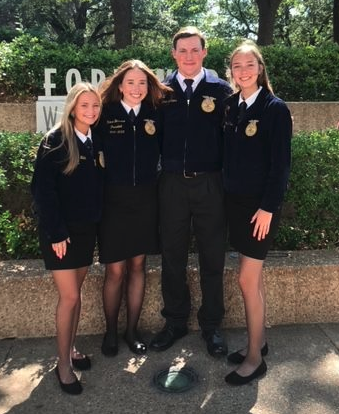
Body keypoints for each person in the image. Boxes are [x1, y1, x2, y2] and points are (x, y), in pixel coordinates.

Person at [149, 27, 232, 357]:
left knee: (213, 256)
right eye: (182, 50)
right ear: (173, 54)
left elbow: (233, 141)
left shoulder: (222, 91)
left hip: (210, 183)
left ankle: (212, 326)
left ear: (204, 52)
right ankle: (175, 322)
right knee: (172, 256)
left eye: (194, 50)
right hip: (171, 184)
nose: (188, 56)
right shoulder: (161, 92)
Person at [223, 40, 292, 385]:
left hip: (260, 210)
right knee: (254, 278)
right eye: (237, 66)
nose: (243, 71)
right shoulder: (231, 105)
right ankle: (259, 342)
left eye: (249, 65)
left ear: (260, 68)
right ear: (231, 72)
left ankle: (254, 359)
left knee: (246, 279)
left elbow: (280, 167)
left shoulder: (274, 108)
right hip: (235, 206)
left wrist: (268, 207)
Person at [31, 82, 104, 394]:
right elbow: (42, 192)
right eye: (84, 105)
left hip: (86, 231)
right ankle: (63, 365)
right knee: (70, 297)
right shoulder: (56, 141)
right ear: (73, 107)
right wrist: (56, 232)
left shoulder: (94, 139)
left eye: (95, 106)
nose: (90, 111)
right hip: (60, 233)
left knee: (78, 293)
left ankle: (71, 348)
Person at [95, 60, 171, 357]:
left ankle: (132, 331)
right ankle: (111, 331)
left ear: (148, 86)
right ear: (120, 85)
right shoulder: (105, 113)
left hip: (145, 200)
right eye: (130, 83)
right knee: (115, 270)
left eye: (142, 83)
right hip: (113, 201)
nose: (136, 89)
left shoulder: (156, 114)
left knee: (138, 266)